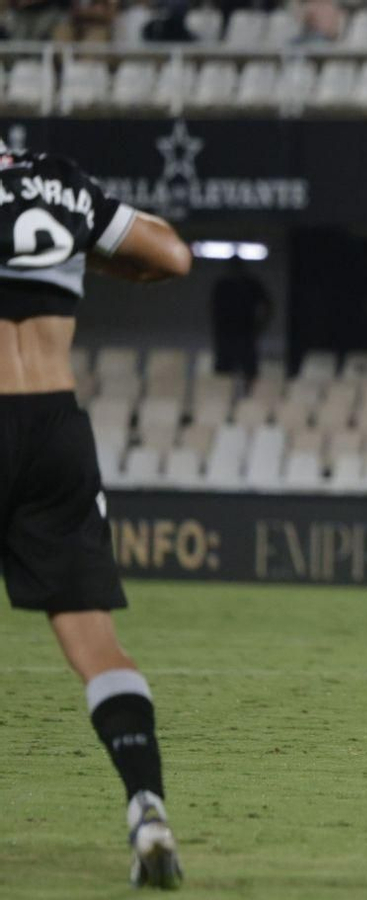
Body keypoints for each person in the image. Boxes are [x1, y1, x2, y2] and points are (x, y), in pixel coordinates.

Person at [0, 142, 193, 887]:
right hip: (55, 430)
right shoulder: (59, 182)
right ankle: (147, 807)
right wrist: (89, 258)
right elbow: (172, 257)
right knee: (99, 650)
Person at [209, 258, 273, 381]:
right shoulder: (222, 285)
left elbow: (267, 306)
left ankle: (250, 398)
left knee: (250, 373)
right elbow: (212, 308)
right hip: (225, 335)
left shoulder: (252, 284)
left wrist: (260, 327)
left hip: (246, 334)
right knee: (223, 374)